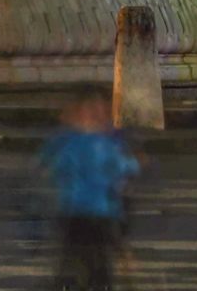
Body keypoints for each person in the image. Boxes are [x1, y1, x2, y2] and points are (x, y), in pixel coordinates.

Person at [37, 90, 139, 290]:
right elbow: (125, 167)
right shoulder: (100, 142)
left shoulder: (75, 141)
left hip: (81, 210)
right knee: (93, 263)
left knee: (77, 261)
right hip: (93, 211)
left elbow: (51, 164)